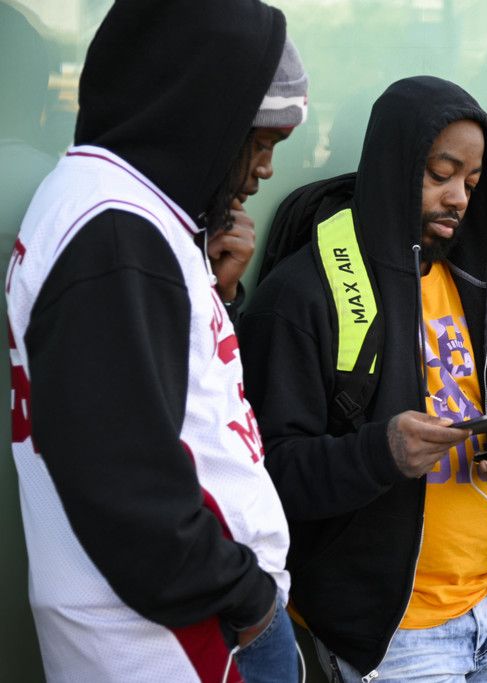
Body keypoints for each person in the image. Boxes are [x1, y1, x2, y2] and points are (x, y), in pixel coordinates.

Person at [4, 1, 307, 681]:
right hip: (177, 636)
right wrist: (247, 598)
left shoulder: (112, 208)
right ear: (203, 112)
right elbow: (126, 481)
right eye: (260, 141)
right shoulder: (116, 232)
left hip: (178, 620)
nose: (264, 169)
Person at [238, 76, 487, 683]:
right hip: (395, 633)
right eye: (440, 174)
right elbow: (266, 477)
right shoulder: (303, 295)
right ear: (393, 167)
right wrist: (379, 453)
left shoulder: (484, 294)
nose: (458, 198)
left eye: (471, 183)